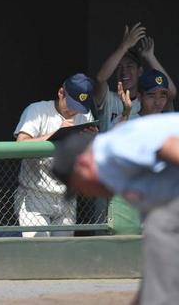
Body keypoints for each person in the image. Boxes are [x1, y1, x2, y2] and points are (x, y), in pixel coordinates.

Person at [51, 114, 179, 305]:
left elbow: (171, 145)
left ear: (83, 166)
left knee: (160, 224)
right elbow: (159, 267)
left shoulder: (115, 146)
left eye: (79, 188)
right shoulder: (123, 175)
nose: (86, 195)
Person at [13, 74, 95, 237]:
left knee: (62, 255)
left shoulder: (85, 116)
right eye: (72, 104)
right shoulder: (37, 110)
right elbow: (21, 143)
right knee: (40, 252)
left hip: (67, 198)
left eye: (80, 106)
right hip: (35, 196)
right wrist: (56, 134)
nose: (75, 110)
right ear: (61, 93)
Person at [95, 25, 176, 132]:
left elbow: (170, 93)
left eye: (130, 66)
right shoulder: (108, 98)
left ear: (140, 71)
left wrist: (150, 57)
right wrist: (124, 46)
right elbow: (101, 78)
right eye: (119, 67)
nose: (124, 71)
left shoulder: (147, 101)